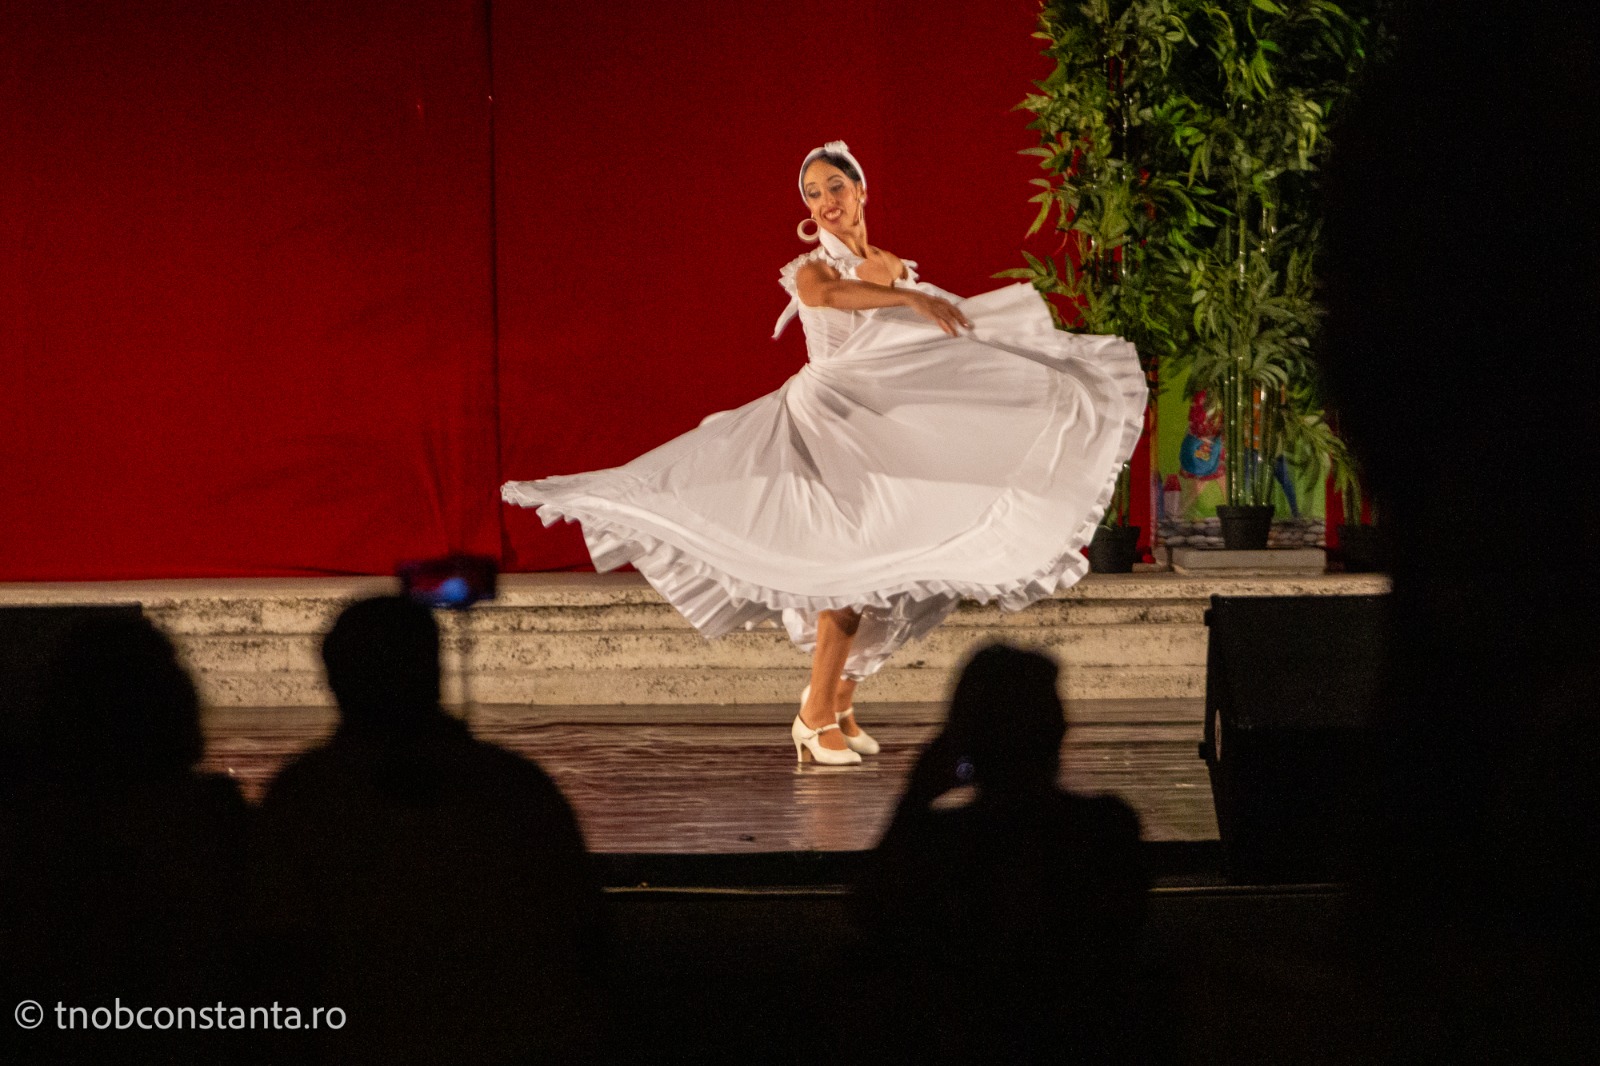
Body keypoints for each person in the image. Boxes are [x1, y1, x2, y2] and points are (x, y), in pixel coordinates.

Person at [503, 141, 1146, 765]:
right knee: (848, 570)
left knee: (895, 570)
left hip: (878, 425)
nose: (825, 202)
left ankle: (838, 704)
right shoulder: (813, 268)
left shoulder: (890, 263)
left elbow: (924, 334)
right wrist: (907, 296)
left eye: (835, 187)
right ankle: (813, 717)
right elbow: (826, 298)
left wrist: (1010, 350)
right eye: (813, 194)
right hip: (824, 424)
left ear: (861, 189)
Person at [246, 596, 608, 1065]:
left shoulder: (306, 794)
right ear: (433, 671)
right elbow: (584, 934)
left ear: (335, 679)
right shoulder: (515, 784)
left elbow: (282, 952)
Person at [851, 644, 1147, 1064]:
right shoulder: (1106, 829)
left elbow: (870, 913)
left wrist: (916, 795)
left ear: (962, 740)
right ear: (1057, 730)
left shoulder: (943, 845)